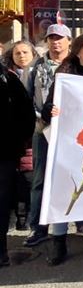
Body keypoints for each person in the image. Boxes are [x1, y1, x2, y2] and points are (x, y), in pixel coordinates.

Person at [41, 34, 83, 265]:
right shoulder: (65, 75)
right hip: (69, 140)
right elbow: (47, 107)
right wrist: (51, 109)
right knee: (64, 188)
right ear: (78, 51)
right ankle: (58, 240)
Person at [22, 24, 71, 248]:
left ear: (69, 41)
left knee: (73, 178)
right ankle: (38, 228)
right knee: (40, 180)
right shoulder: (33, 69)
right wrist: (41, 117)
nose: (55, 42)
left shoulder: (75, 67)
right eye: (51, 38)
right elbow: (26, 100)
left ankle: (79, 223)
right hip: (43, 131)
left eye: (60, 38)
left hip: (72, 131)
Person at [0, 61, 36, 268]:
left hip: (4, 154)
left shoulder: (9, 79)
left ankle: (1, 251)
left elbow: (26, 114)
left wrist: (16, 144)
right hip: (7, 152)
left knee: (2, 202)